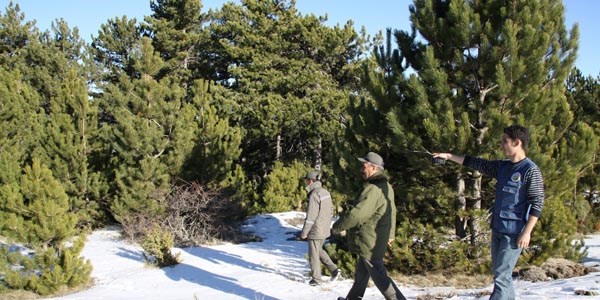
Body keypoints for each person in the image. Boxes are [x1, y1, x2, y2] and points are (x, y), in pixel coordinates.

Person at [433, 125, 545, 300]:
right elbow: (476, 162)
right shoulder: (503, 167)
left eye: (504, 141)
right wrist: (448, 156)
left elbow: (537, 203)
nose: (501, 145)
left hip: (514, 233)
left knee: (501, 277)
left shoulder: (530, 171)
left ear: (517, 142)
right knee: (502, 277)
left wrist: (527, 232)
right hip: (498, 229)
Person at [332, 152, 406, 300]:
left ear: (373, 168)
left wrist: (337, 227)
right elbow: (392, 212)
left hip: (369, 240)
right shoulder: (386, 186)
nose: (361, 169)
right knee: (362, 274)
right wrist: (390, 235)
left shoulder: (373, 189)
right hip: (375, 238)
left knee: (379, 276)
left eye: (364, 166)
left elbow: (357, 214)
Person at [299, 170, 342, 286]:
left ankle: (316, 279)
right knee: (319, 250)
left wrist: (304, 232)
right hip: (325, 228)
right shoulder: (325, 192)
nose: (305, 183)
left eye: (306, 181)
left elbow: (311, 216)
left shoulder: (314, 195)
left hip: (316, 229)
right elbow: (331, 210)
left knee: (313, 254)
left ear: (310, 181)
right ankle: (334, 270)